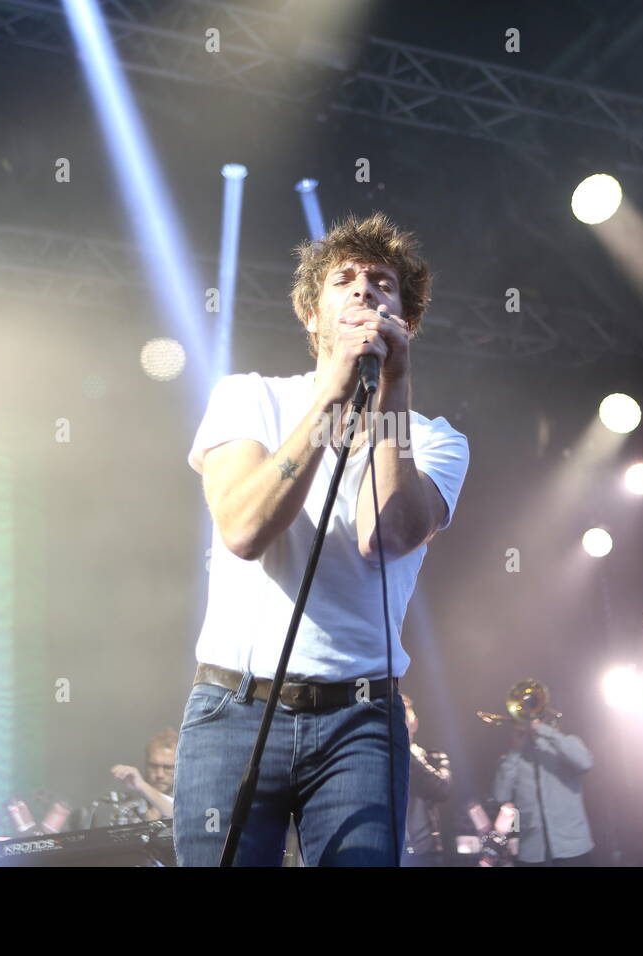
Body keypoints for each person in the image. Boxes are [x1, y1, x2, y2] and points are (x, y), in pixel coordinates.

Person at [172, 212, 470, 866]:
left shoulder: (439, 439)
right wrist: (332, 395)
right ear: (312, 315)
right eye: (345, 280)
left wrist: (391, 387)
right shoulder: (248, 398)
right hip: (235, 711)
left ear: (408, 321)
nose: (366, 291)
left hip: (361, 724)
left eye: (384, 284)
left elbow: (385, 536)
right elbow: (245, 529)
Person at [492, 706, 596, 866]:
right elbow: (500, 796)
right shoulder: (512, 758)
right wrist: (514, 751)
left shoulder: (567, 744)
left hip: (573, 847)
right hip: (532, 852)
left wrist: (542, 730)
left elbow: (585, 762)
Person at [400, 692, 450, 866]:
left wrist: (405, 751)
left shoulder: (433, 757)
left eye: (403, 717)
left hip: (425, 853)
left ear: (415, 723)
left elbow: (443, 790)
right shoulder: (381, 760)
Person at [110, 728, 177, 821]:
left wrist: (142, 785)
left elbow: (180, 815)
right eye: (153, 766)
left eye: (168, 767)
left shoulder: (193, 806)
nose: (159, 775)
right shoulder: (127, 811)